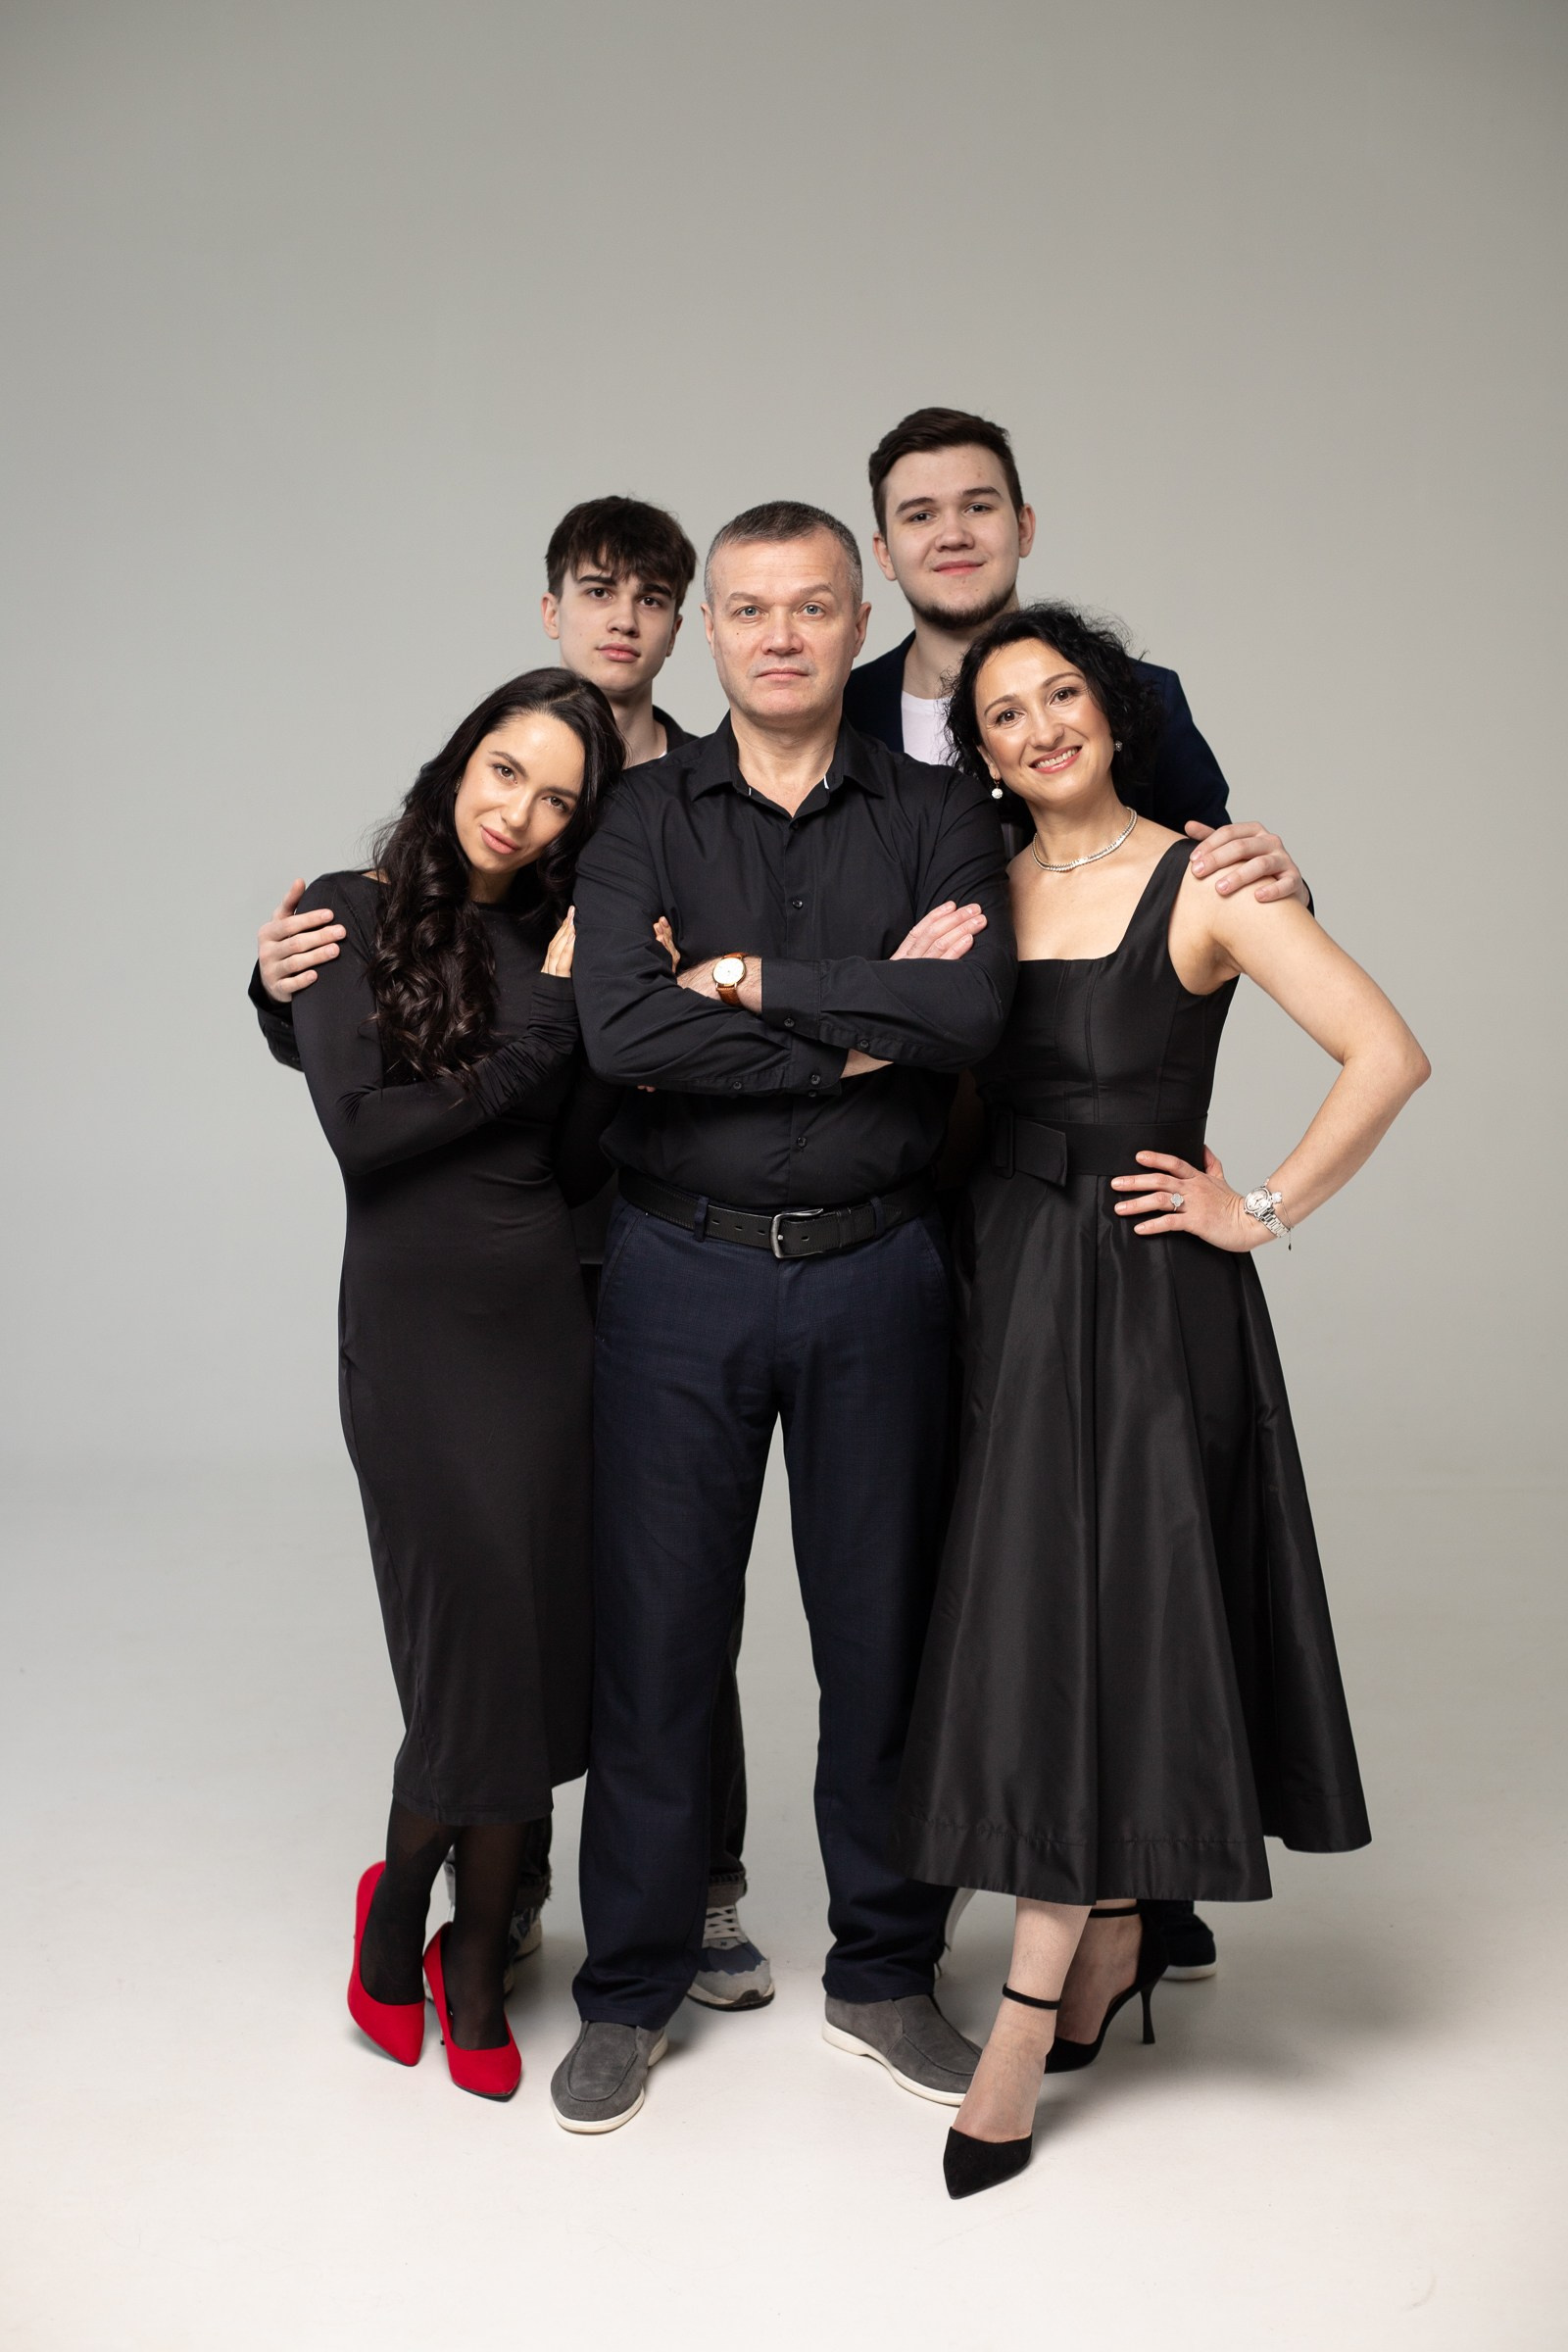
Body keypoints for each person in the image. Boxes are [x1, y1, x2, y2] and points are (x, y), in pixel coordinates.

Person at [886, 606, 1429, 2196]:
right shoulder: (976, 891)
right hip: (996, 1284)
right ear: (983, 754)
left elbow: (1385, 1055)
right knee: (1031, 1621)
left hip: (1136, 1298)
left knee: (1098, 1618)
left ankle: (1027, 2009)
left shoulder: (1210, 878)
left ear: (1115, 716)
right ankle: (1115, 1929)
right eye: (1005, 713)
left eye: (1064, 695)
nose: (1041, 726)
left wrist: (1253, 1209)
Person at [248, 496, 772, 2012]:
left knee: (649, 1596)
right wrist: (282, 993)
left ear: (686, 624)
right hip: (474, 1267)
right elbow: (393, 1047)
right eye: (596, 590)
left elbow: (642, 1047)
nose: (623, 617)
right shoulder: (505, 800)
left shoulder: (722, 784)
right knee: (494, 1604)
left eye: (652, 596)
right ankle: (501, 1896)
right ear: (552, 611)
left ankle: (693, 1893)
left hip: (641, 1237)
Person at [551, 500, 1016, 2133]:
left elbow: (972, 1009)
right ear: (715, 632)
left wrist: (745, 982)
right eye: (748, 609)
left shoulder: (943, 805)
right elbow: (619, 1034)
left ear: (856, 617)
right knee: (659, 1643)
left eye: (812, 606)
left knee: (883, 1641)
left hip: (880, 1270)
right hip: (675, 1273)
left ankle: (886, 1975)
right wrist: (867, 1027)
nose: (780, 635)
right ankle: (631, 1988)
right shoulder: (641, 814)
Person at [849, 403, 1312, 1983]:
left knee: (1119, 1541)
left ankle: (1133, 1898)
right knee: (964, 1560)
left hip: (1101, 1214)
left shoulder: (1134, 702)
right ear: (886, 551)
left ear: (1023, 525)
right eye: (921, 512)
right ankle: (930, 1910)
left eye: (979, 504)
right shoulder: (844, 711)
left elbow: (1220, 881)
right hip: (931, 1196)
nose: (953, 532)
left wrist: (1273, 887)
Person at [300, 668, 624, 2099]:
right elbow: (366, 1134)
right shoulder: (348, 912)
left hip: (543, 1330)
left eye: (557, 799)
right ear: (457, 764)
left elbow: (574, 1164)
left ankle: (468, 1948)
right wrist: (545, 1030)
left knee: (532, 1647)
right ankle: (413, 1933)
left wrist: (600, 1020)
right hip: (415, 1338)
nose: (521, 813)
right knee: (470, 1643)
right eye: (506, 772)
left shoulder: (558, 943)